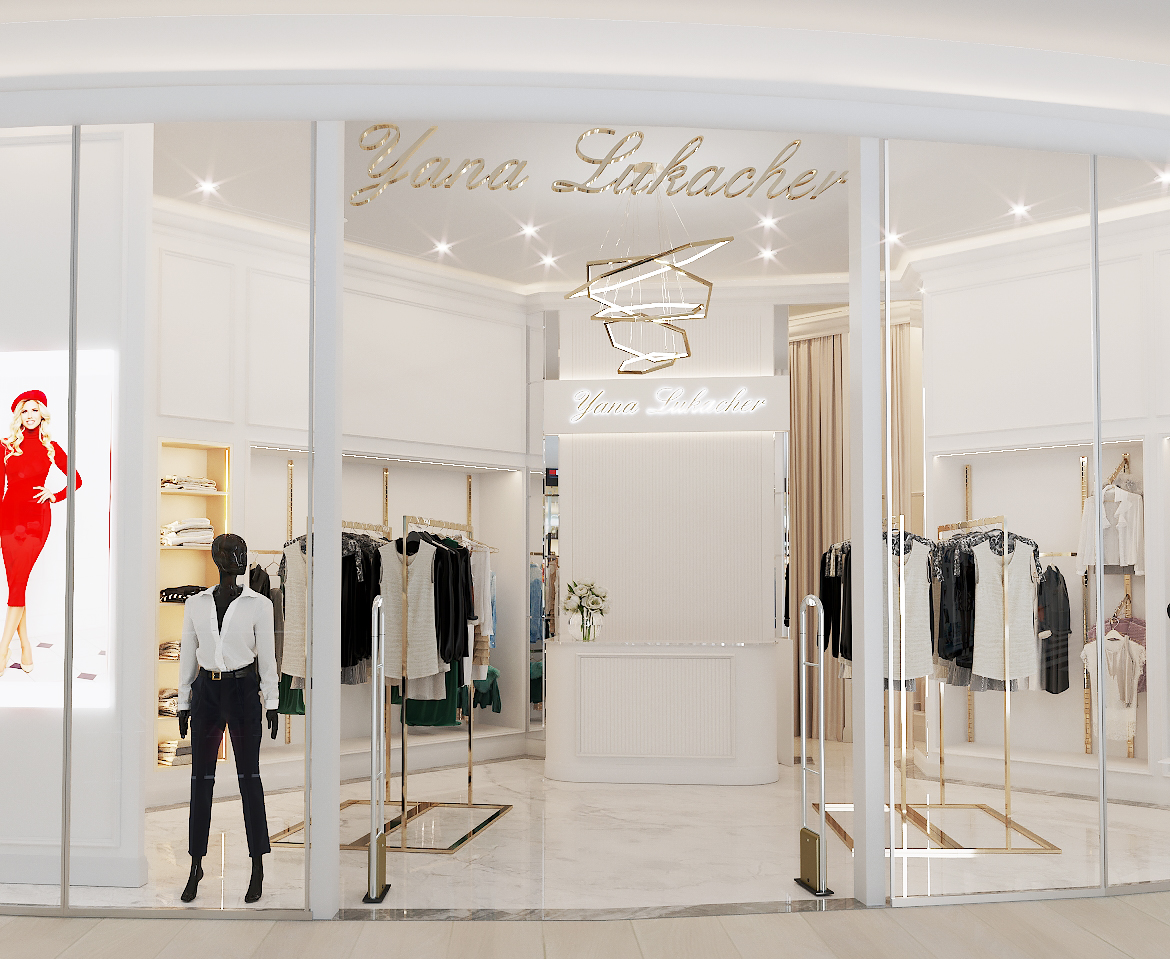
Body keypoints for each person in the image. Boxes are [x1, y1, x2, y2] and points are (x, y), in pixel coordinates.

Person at [0, 391, 81, 674]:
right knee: (16, 585)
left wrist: (54, 495)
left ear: (42, 414)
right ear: (18, 416)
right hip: (8, 520)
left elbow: (76, 479)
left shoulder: (51, 447)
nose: (30, 415)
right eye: (25, 411)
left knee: (18, 582)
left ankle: (2, 649)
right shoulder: (6, 446)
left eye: (34, 410)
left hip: (36, 521)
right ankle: (25, 645)